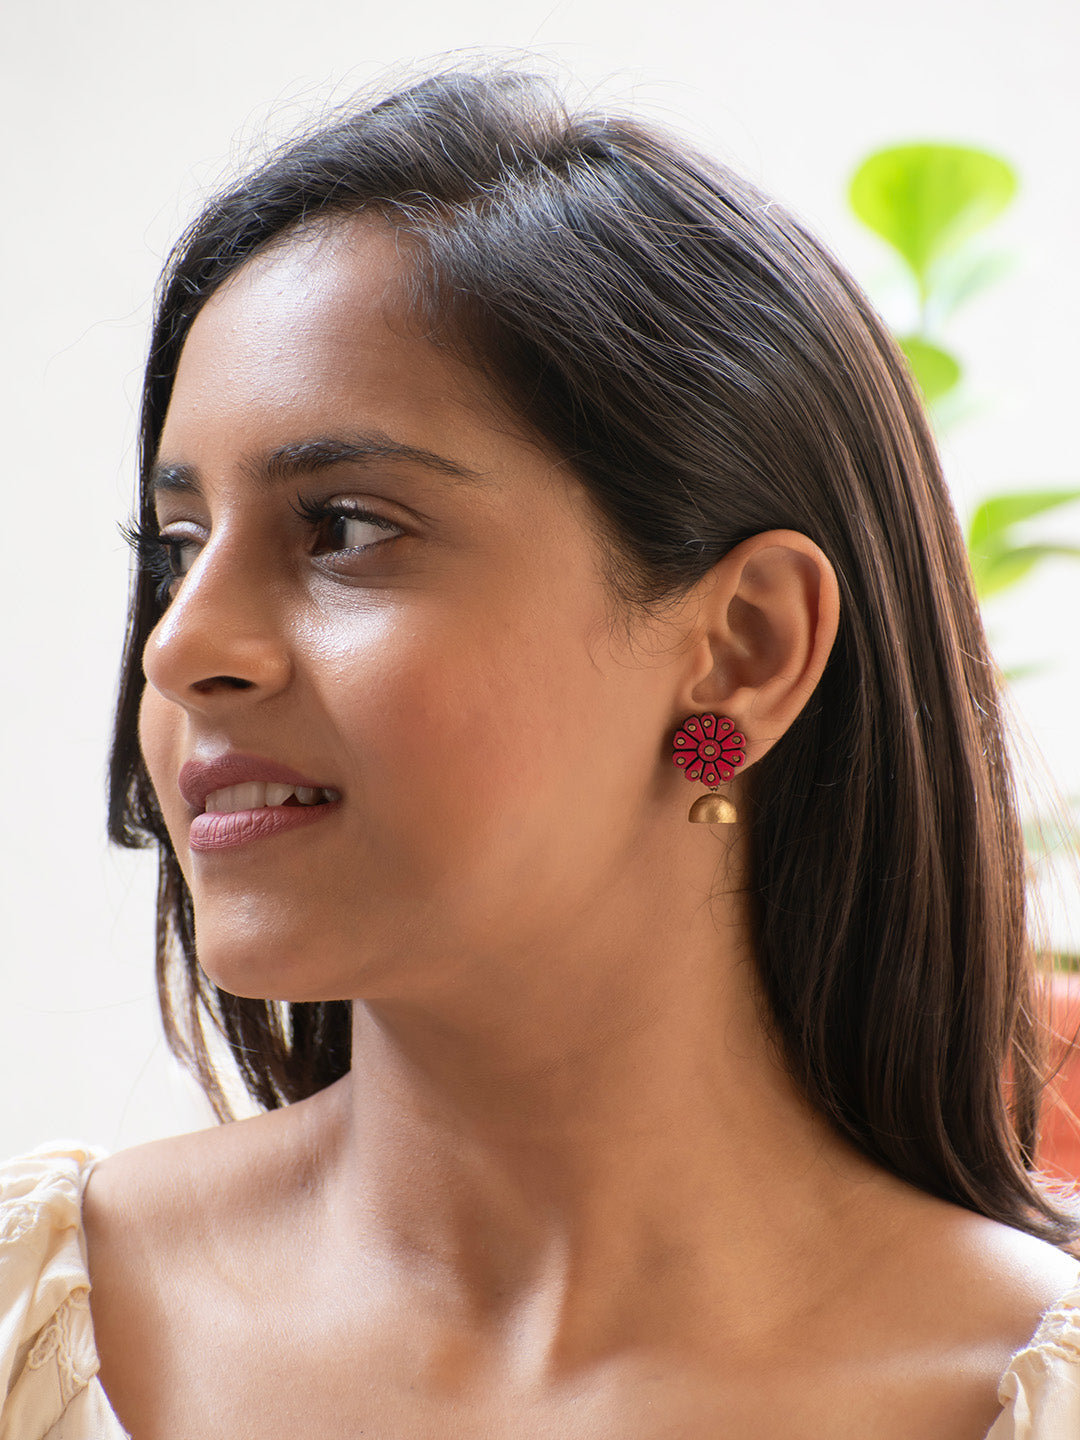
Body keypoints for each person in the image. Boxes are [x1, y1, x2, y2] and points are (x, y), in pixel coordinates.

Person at [1, 64, 1078, 1439]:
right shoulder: (33, 1323)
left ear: (745, 648)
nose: (177, 647)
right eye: (179, 549)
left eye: (342, 527)